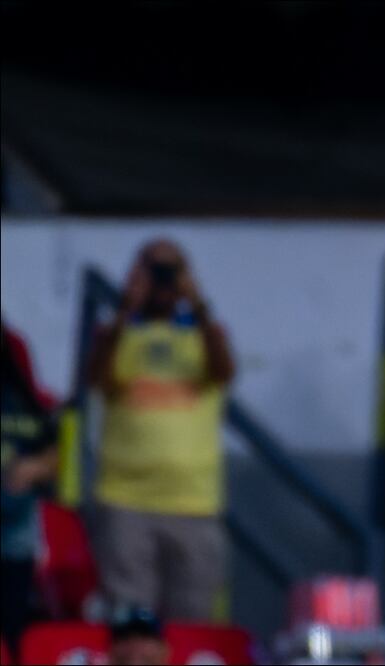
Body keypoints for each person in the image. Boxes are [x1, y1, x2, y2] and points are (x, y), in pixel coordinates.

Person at [87, 239, 236, 621]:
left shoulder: (203, 334)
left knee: (196, 623)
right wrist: (126, 306)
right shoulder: (118, 333)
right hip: (126, 499)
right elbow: (96, 378)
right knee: (129, 623)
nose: (161, 281)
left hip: (194, 502)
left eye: (170, 270)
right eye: (153, 269)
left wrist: (197, 303)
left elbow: (223, 371)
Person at [1, 319, 58, 654]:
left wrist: (35, 466)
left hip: (16, 534)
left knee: (12, 629)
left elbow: (55, 452)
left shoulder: (21, 394)